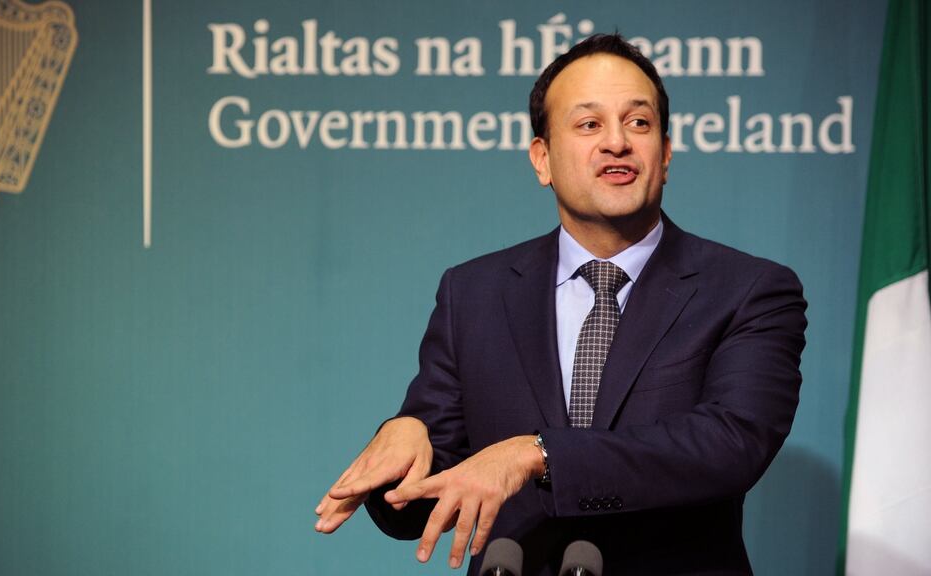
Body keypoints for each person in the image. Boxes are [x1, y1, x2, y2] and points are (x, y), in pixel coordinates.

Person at [314, 33, 806, 576]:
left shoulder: (748, 289)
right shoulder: (474, 292)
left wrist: (537, 453)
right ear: (542, 158)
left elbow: (731, 444)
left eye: (638, 123)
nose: (617, 142)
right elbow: (426, 499)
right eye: (589, 124)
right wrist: (402, 440)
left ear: (664, 157)